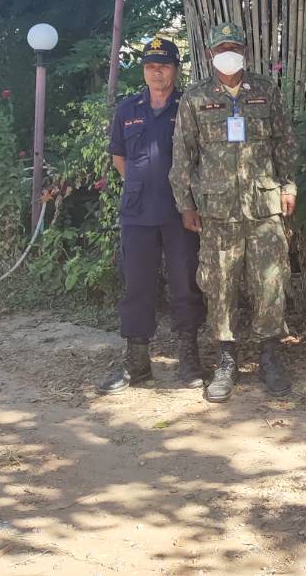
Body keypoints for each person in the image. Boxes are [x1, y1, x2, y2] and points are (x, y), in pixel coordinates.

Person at [168, 21, 299, 403]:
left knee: (270, 283)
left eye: (235, 47)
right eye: (222, 48)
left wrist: (288, 187)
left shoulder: (265, 91)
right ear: (210, 53)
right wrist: (185, 204)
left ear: (244, 51)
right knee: (219, 284)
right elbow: (183, 155)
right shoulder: (195, 98)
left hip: (263, 208)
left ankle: (270, 356)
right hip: (218, 213)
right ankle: (226, 361)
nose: (229, 53)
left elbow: (285, 143)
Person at [97, 38, 207, 394]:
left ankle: (188, 359)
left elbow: (201, 157)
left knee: (185, 284)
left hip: (180, 210)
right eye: (150, 66)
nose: (156, 71)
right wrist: (140, 185)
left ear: (175, 69)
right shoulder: (127, 109)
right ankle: (137, 363)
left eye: (163, 65)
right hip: (138, 212)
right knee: (137, 286)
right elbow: (119, 157)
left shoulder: (189, 106)